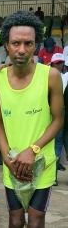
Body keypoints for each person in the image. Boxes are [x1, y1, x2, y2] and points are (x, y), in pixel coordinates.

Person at [0, 10, 64, 228]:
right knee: (14, 219)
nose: (21, 50)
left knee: (35, 220)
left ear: (36, 45)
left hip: (42, 163)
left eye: (28, 44)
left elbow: (58, 120)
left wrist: (33, 150)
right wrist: (6, 159)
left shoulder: (50, 76)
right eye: (15, 43)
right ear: (6, 44)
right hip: (12, 163)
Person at [50, 53, 67, 186]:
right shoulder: (47, 77)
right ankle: (51, 176)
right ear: (52, 64)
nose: (59, 64)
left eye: (61, 62)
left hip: (62, 114)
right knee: (52, 147)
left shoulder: (66, 76)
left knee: (58, 146)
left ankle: (53, 176)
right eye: (56, 63)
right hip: (48, 114)